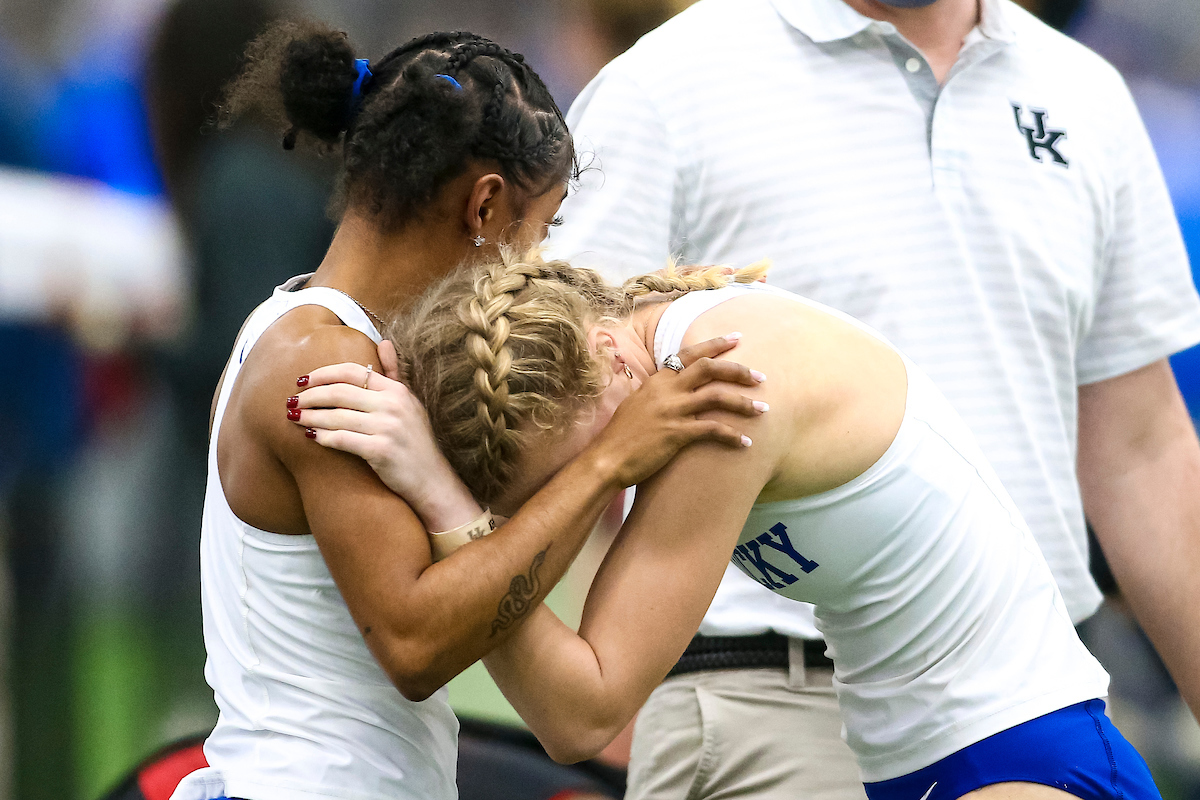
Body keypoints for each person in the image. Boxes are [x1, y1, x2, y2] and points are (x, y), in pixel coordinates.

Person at [544, 0, 1200, 796]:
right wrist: (596, 669)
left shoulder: (1085, 91)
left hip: (1026, 703)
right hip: (766, 697)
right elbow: (562, 400)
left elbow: (1141, 448)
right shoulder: (667, 80)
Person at [291, 248, 1160, 800]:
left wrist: (450, 508)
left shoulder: (724, 387)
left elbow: (581, 713)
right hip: (916, 762)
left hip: (1022, 753)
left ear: (601, 359)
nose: (578, 506)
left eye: (575, 475)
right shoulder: (638, 360)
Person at [171, 22, 761, 800]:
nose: (535, 265)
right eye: (539, 230)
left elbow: (479, 536)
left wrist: (643, 316)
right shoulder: (326, 363)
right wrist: (613, 458)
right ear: (485, 206)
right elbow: (417, 643)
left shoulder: (303, 328)